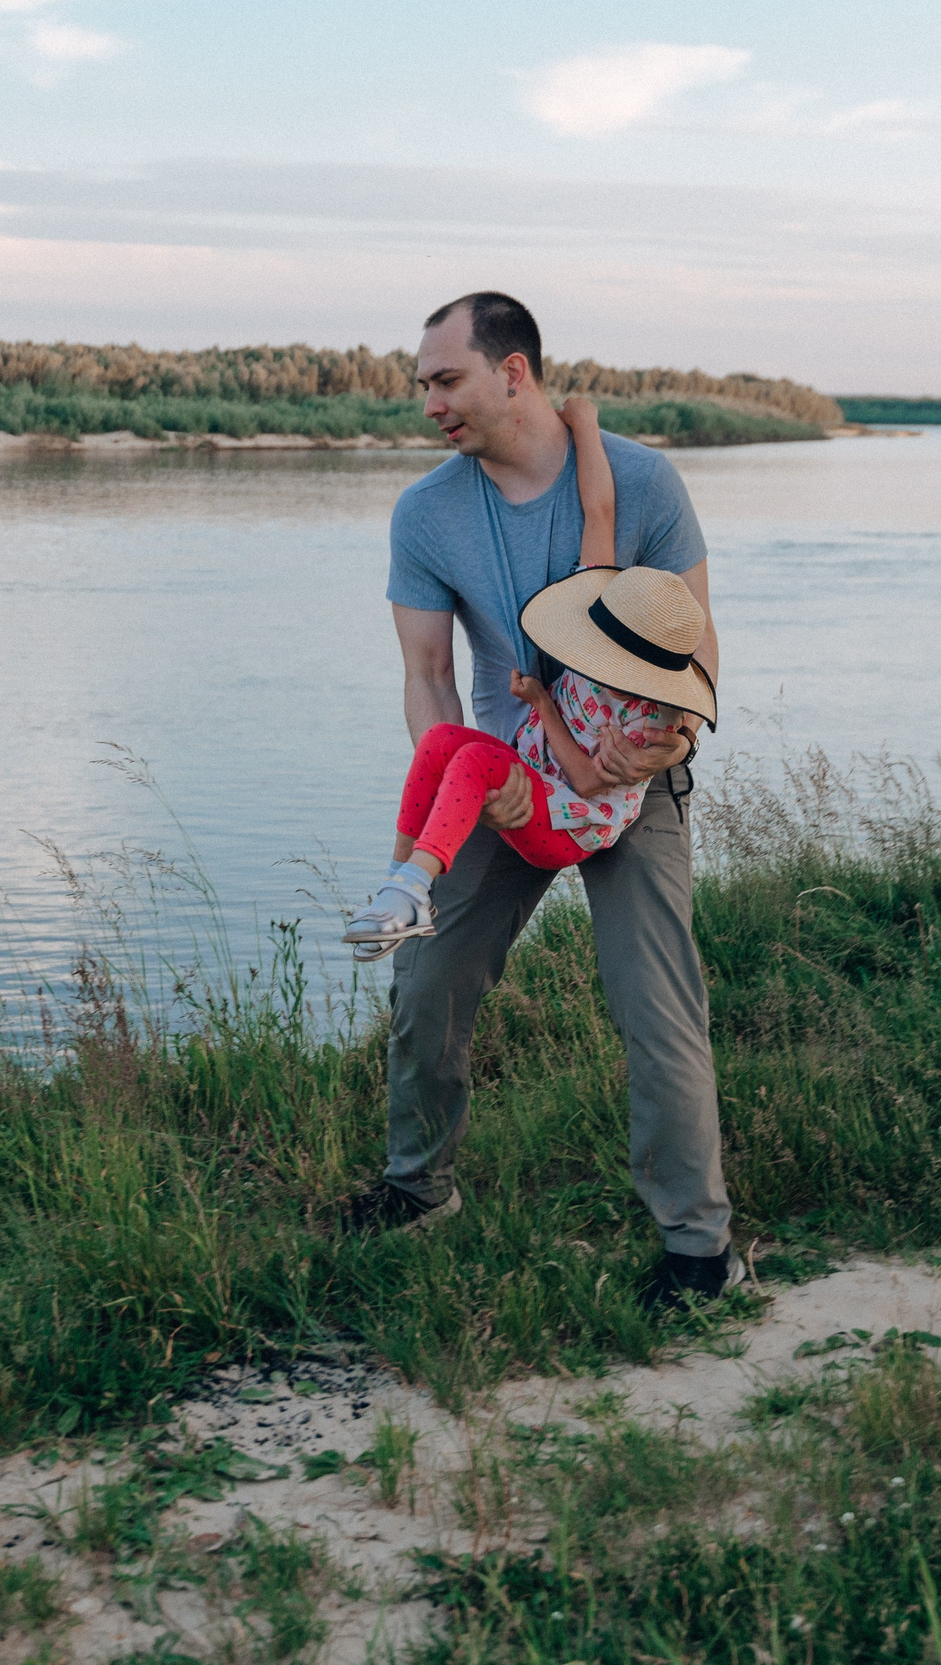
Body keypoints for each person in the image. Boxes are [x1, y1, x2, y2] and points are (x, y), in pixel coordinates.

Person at [348, 290, 739, 1317]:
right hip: (514, 772)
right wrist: (460, 798)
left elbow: (694, 645)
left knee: (654, 1006)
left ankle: (700, 1252)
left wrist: (658, 746)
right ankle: (415, 1187)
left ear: (511, 372)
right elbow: (429, 679)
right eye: (421, 384)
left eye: (444, 379)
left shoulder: (643, 482)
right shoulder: (426, 512)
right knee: (427, 981)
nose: (427, 401)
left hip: (628, 782)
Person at [342, 397, 711, 957]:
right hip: (540, 778)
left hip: (570, 823)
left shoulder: (647, 718)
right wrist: (586, 424)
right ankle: (400, 878)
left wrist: (542, 703)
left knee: (473, 760)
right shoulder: (603, 618)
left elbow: (590, 782)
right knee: (442, 742)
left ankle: (416, 886)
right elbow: (601, 510)